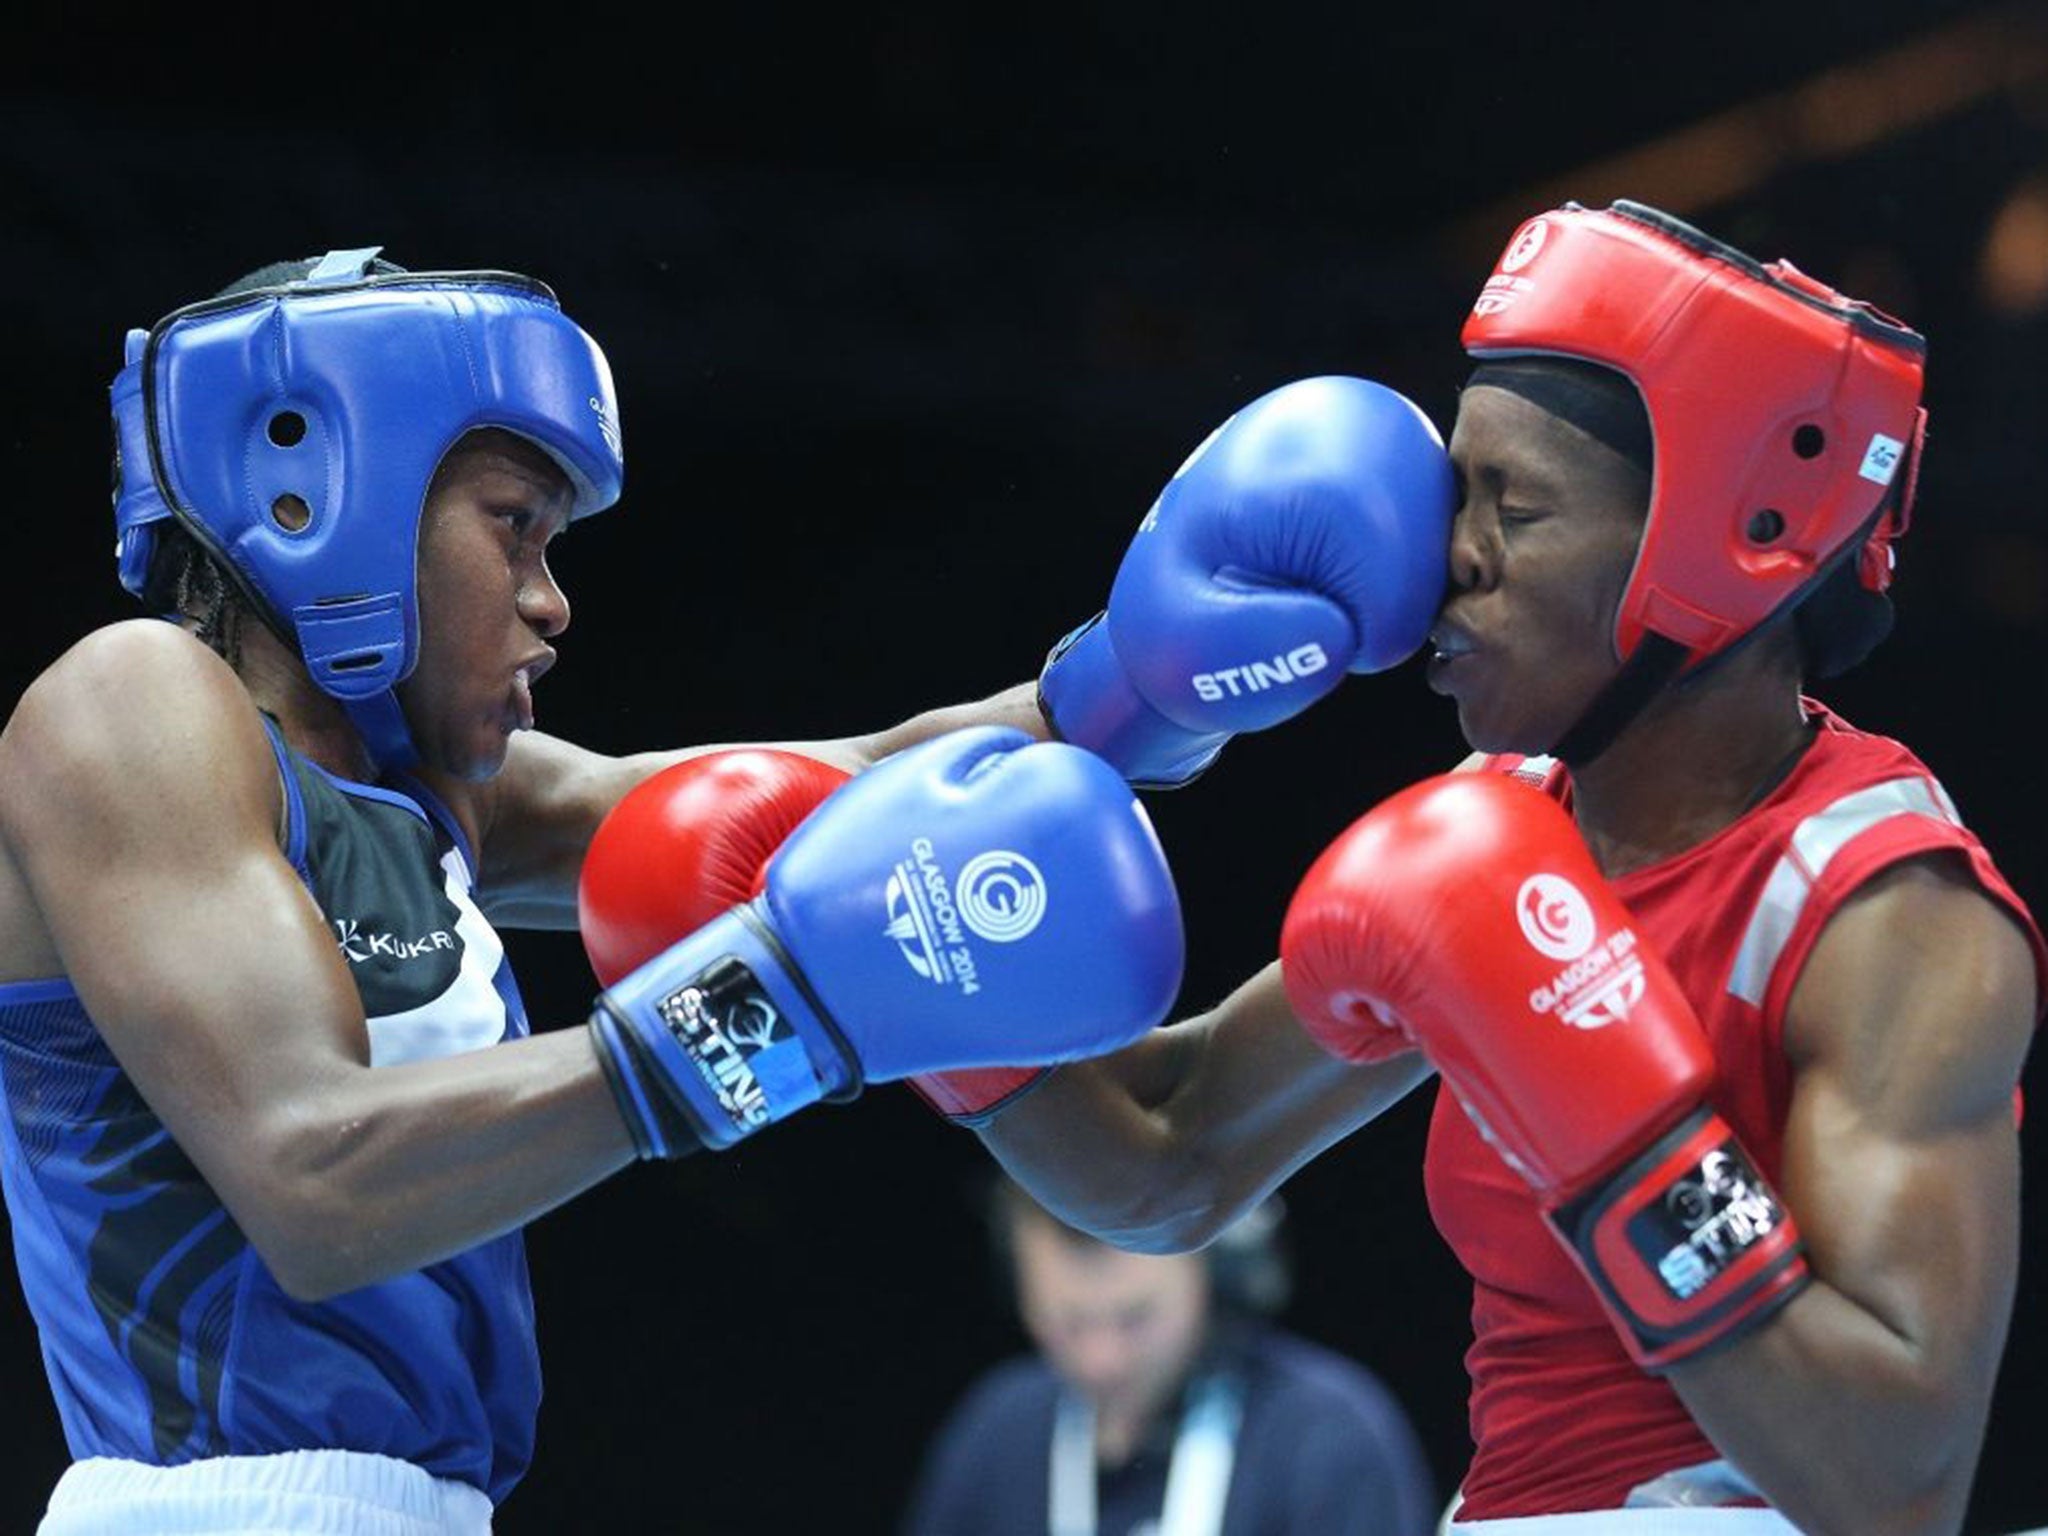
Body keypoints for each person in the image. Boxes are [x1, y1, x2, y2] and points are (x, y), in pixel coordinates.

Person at [0, 247, 1263, 1532]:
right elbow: (313, 1182)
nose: (551, 603)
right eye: (514, 528)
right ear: (324, 490)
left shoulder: (433, 795)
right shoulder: (132, 707)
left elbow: (840, 792)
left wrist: (1139, 686)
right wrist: (754, 1017)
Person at [945, 199, 2045, 1535]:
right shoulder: (1502, 827)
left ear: (1719, 540)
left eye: (1510, 505)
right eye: (1452, 492)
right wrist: (938, 995)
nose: (1444, 558)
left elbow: (1898, 1485)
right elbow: (1168, 1157)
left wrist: (1610, 1124)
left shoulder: (1883, 906)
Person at [899, 1176, 1438, 1536]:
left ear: (1217, 1274)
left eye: (1137, 1318)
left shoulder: (1329, 1438)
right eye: (1068, 1323)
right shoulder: (994, 1436)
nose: (1101, 1361)